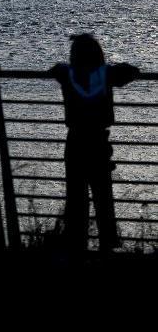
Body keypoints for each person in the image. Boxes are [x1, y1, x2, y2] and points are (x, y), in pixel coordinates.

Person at [50, 34, 138, 252]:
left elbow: (55, 69)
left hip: (75, 142)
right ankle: (107, 246)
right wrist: (111, 67)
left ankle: (76, 246)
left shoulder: (66, 75)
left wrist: (63, 66)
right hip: (98, 142)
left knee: (76, 199)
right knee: (103, 197)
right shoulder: (106, 75)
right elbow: (131, 71)